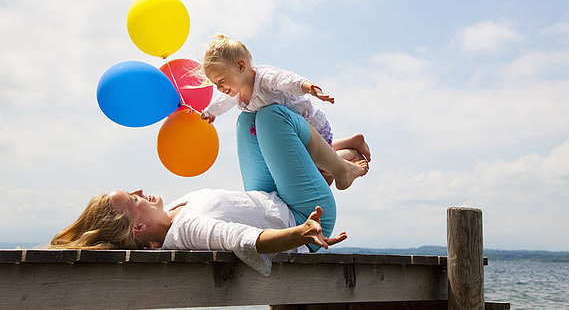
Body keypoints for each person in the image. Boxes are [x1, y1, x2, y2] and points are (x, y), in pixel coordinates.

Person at [50, 105, 364, 275]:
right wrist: (300, 233)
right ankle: (341, 170)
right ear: (139, 227)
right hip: (300, 215)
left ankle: (331, 163)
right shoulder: (188, 229)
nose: (140, 189)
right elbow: (244, 240)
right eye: (133, 198)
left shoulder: (176, 208)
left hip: (271, 197)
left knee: (248, 121)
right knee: (271, 117)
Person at [201, 33, 371, 188]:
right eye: (215, 84)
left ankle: (350, 154)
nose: (219, 88)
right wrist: (210, 112)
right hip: (292, 132)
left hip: (310, 125)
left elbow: (287, 80)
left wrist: (309, 87)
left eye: (221, 81)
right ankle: (352, 141)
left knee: (322, 171)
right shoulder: (235, 92)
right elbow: (222, 101)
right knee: (310, 161)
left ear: (240, 66)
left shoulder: (264, 78)